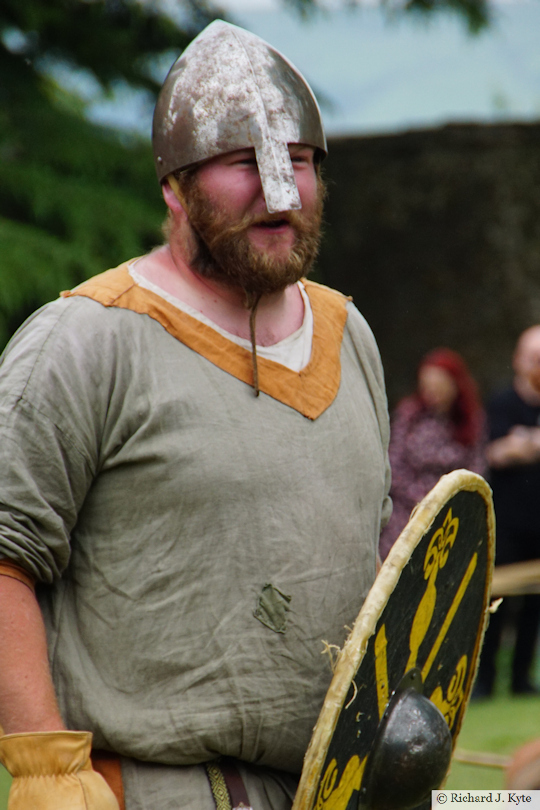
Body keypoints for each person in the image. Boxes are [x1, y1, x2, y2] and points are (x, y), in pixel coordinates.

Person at [0, 21, 391, 810]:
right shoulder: (85, 340)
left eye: (303, 162)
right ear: (174, 186)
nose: (282, 190)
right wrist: (47, 769)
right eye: (244, 163)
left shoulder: (350, 336)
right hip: (158, 790)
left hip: (335, 791)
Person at [474, 326, 540, 697]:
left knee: (534, 605)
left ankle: (521, 680)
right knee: (497, 601)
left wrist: (522, 444)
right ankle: (484, 681)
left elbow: (515, 448)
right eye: (533, 357)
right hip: (507, 522)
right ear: (519, 360)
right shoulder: (501, 402)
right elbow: (493, 452)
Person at [379, 348, 486, 560]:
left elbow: (477, 469)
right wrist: (425, 502)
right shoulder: (409, 416)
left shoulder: (471, 420)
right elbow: (393, 467)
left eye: (439, 386)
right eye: (427, 386)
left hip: (451, 517)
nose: (432, 393)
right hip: (407, 516)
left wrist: (451, 503)